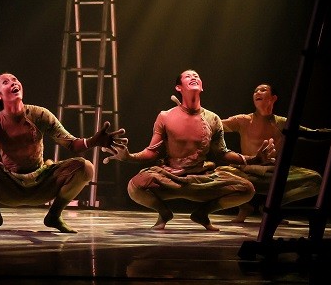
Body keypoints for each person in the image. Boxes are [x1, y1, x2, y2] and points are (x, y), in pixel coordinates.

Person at [0, 72, 127, 233]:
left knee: (85, 167)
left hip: (42, 184)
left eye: (15, 79)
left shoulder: (40, 114)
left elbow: (71, 144)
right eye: (6, 82)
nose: (13, 83)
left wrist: (93, 141)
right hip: (9, 186)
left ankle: (54, 215)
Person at [102, 69, 275, 231]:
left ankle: (202, 213)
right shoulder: (165, 116)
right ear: (179, 87)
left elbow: (222, 153)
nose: (193, 77)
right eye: (188, 76)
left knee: (246, 190)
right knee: (135, 187)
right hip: (170, 177)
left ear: (202, 87)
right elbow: (152, 151)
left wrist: (254, 159)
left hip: (202, 179)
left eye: (196, 76)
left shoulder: (213, 119)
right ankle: (164, 213)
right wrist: (128, 156)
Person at [220, 82, 331, 222]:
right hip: (248, 172)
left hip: (274, 173)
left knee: (315, 180)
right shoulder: (243, 120)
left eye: (263, 90)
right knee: (219, 172)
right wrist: (202, 115)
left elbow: (313, 134)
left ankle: (271, 206)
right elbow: (216, 125)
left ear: (273, 98)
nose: (257, 92)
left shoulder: (282, 123)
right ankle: (244, 206)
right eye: (255, 91)